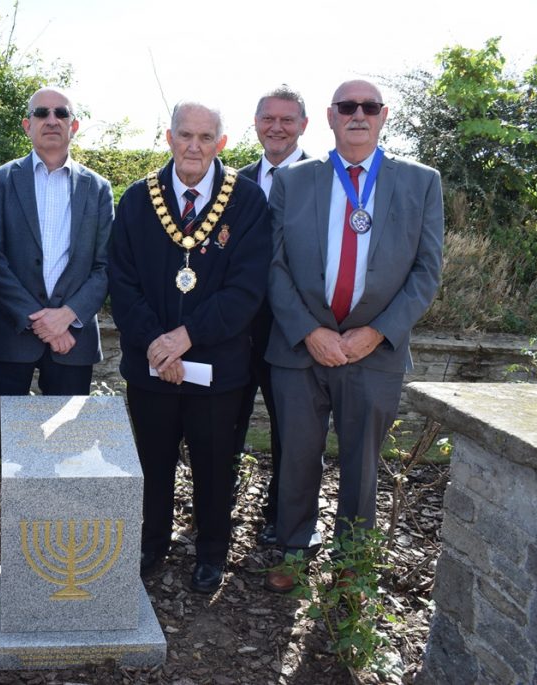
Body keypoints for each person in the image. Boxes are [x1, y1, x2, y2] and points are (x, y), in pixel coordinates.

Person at [263, 79, 443, 593]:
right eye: (347, 106)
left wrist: (379, 332)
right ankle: (294, 554)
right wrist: (308, 330)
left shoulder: (420, 182)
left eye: (368, 107)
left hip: (374, 352)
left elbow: (427, 271)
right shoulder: (294, 182)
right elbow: (273, 268)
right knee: (296, 457)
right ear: (330, 116)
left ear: (384, 116)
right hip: (301, 350)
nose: (358, 114)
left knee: (362, 465)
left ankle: (351, 564)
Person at [108, 101, 271, 594]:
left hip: (218, 367)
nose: (194, 146)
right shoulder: (139, 199)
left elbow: (247, 289)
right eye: (185, 135)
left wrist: (188, 337)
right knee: (152, 460)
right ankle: (152, 541)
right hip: (150, 364)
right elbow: (122, 279)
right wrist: (159, 345)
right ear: (169, 137)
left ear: (222, 142)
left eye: (205, 137)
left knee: (215, 462)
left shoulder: (246, 202)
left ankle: (211, 552)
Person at [0, 87, 113, 564]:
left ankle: (52, 523)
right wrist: (39, 319)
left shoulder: (97, 187)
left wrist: (67, 316)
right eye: (41, 113)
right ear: (27, 125)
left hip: (71, 338)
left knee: (64, 439)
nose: (51, 119)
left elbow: (105, 266)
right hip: (11, 335)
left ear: (74, 126)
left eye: (62, 113)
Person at [234, 85, 309, 547]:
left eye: (287, 119)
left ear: (303, 124)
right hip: (236, 331)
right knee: (226, 423)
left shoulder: (322, 178)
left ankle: (283, 518)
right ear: (256, 122)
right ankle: (215, 509)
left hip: (293, 331)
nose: (276, 127)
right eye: (268, 118)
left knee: (291, 433)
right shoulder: (235, 182)